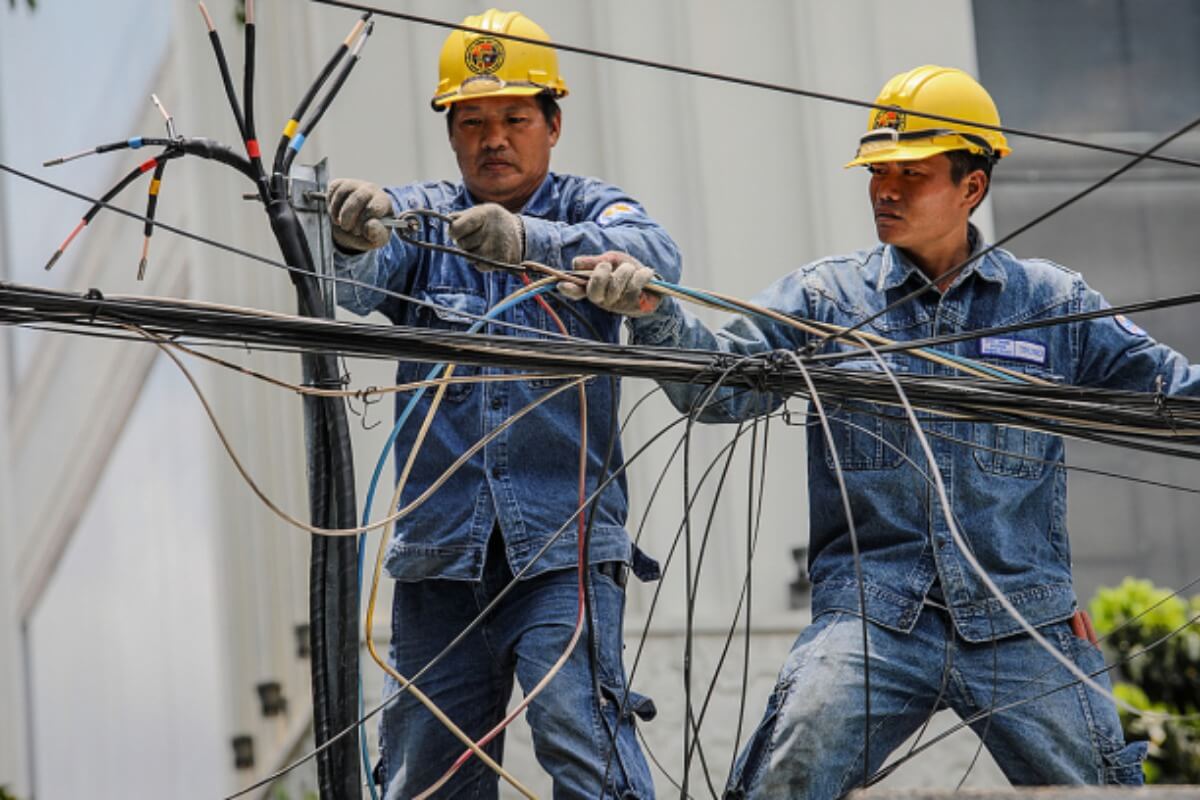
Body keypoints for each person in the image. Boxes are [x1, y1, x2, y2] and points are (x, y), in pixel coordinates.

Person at [565, 65, 1200, 798]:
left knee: (1101, 787)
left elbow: (1175, 393)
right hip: (874, 616)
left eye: (911, 173)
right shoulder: (827, 299)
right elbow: (720, 389)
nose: (886, 189)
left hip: (1021, 616)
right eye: (876, 173)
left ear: (973, 186)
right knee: (788, 769)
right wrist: (653, 312)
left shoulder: (1051, 304)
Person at [327, 9, 681, 799]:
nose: (494, 138)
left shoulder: (596, 211)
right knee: (427, 773)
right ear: (452, 135)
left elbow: (659, 260)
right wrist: (351, 237)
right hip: (441, 556)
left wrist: (529, 242)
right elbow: (349, 287)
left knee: (579, 733)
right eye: (474, 121)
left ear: (552, 124)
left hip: (564, 548)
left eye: (515, 118)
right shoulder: (423, 220)